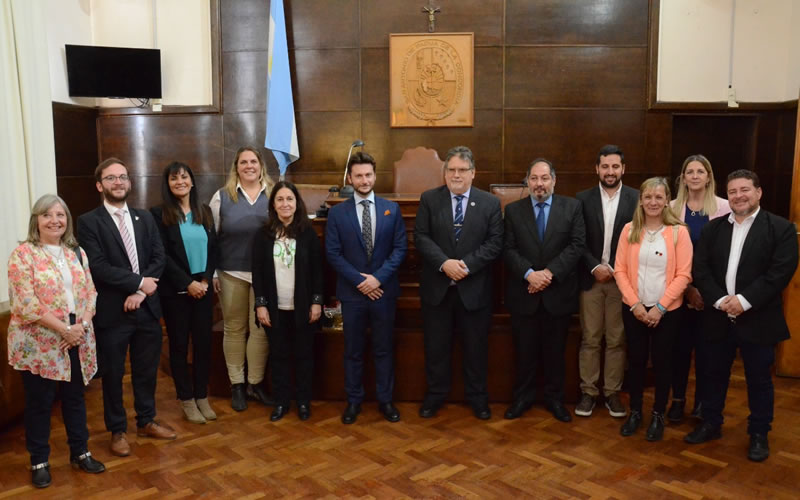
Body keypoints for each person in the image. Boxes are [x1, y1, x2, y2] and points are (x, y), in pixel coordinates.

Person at [685, 169, 798, 462]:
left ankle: (759, 433)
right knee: (712, 374)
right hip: (717, 315)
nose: (738, 196)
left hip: (758, 317)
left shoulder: (781, 229)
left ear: (759, 192)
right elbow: (702, 270)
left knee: (759, 379)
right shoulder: (713, 229)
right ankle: (711, 423)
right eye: (733, 191)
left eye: (745, 190)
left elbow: (779, 273)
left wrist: (745, 301)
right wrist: (722, 300)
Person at [77, 157, 175, 458]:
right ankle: (117, 430)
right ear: (99, 185)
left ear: (129, 182)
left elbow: (159, 258)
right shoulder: (88, 222)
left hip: (146, 310)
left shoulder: (144, 218)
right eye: (110, 178)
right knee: (114, 375)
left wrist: (141, 293)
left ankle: (146, 421)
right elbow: (99, 267)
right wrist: (137, 284)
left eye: (122, 177)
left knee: (146, 372)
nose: (118, 182)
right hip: (112, 313)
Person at [7, 194, 106, 488]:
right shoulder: (23, 254)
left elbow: (90, 293)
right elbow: (26, 303)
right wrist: (65, 329)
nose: (55, 220)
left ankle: (81, 452)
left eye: (60, 215)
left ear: (67, 220)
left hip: (76, 339)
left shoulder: (76, 253)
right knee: (40, 403)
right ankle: (39, 461)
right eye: (47, 215)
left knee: (75, 399)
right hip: (40, 343)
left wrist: (80, 327)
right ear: (36, 220)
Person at [414, 146, 503, 420]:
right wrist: (445, 263)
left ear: (473, 173)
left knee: (475, 349)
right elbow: (421, 237)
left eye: (462, 170)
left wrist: (465, 265)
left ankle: (478, 398)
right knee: (436, 349)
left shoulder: (489, 203)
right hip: (437, 291)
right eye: (451, 169)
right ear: (445, 173)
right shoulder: (430, 199)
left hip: (473, 289)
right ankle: (435, 396)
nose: (456, 175)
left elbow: (495, 243)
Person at [325, 152, 408, 424]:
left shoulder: (391, 209)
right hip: (353, 294)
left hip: (383, 292)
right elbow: (333, 253)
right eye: (358, 175)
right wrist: (361, 282)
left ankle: (386, 401)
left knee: (384, 349)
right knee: (353, 351)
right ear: (350, 178)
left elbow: (399, 249)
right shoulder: (338, 212)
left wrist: (377, 279)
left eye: (368, 175)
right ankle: (353, 402)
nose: (364, 180)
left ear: (375, 176)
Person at [503, 158, 586, 422]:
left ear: (554, 180)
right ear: (527, 181)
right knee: (523, 352)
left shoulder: (572, 207)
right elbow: (508, 249)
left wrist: (549, 274)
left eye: (545, 178)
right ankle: (522, 399)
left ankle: (555, 400)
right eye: (535, 179)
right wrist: (529, 274)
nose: (540, 184)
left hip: (557, 293)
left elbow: (576, 245)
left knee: (555, 353)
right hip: (523, 293)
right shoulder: (514, 211)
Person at [614, 177, 692, 441]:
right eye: (648, 197)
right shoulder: (628, 230)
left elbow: (684, 275)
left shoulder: (679, 232)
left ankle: (658, 413)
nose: (653, 202)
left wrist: (660, 307)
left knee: (662, 363)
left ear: (667, 199)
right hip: (634, 308)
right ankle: (635, 412)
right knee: (635, 362)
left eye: (659, 197)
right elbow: (620, 270)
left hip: (667, 311)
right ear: (641, 200)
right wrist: (635, 304)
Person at [150, 162, 219, 424]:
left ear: (192, 181)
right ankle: (187, 399)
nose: (180, 181)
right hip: (176, 290)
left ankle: (202, 395)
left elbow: (214, 249)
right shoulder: (159, 214)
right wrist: (186, 283)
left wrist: (204, 279)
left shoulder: (205, 211)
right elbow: (162, 255)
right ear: (167, 183)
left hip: (202, 286)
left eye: (184, 177)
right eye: (174, 178)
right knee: (179, 346)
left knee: (203, 345)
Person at [575, 145, 638, 418]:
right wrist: (594, 266)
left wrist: (615, 268)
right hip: (591, 280)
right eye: (605, 167)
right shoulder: (582, 199)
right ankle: (588, 392)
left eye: (615, 167)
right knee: (590, 338)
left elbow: (638, 240)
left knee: (616, 339)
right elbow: (577, 239)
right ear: (597, 169)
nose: (610, 172)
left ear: (623, 169)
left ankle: (612, 392)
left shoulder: (637, 199)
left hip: (622, 281)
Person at [210, 147, 275, 411]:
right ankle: (236, 384)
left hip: (266, 275)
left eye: (253, 161)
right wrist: (213, 272)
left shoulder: (274, 194)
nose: (249, 166)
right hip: (231, 272)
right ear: (236, 167)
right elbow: (211, 237)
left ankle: (255, 384)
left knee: (260, 329)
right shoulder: (222, 197)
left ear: (261, 166)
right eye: (243, 162)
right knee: (234, 329)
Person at [666, 154, 730, 423]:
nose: (694, 176)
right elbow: (667, 254)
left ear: (708, 177)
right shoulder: (670, 208)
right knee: (679, 351)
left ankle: (703, 402)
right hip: (679, 292)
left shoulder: (725, 208)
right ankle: (678, 400)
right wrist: (688, 287)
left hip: (712, 294)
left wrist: (704, 290)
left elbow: (726, 255)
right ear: (682, 177)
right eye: (689, 171)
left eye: (699, 171)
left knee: (707, 352)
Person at [252, 181, 324, 421]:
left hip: (303, 307)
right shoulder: (263, 235)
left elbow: (318, 271)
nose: (285, 204)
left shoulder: (308, 233)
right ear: (273, 204)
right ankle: (281, 402)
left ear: (297, 203)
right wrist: (260, 304)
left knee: (304, 355)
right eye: (280, 199)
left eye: (289, 199)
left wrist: (316, 301)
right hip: (274, 307)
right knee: (279, 356)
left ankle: (303, 402)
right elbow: (258, 272)